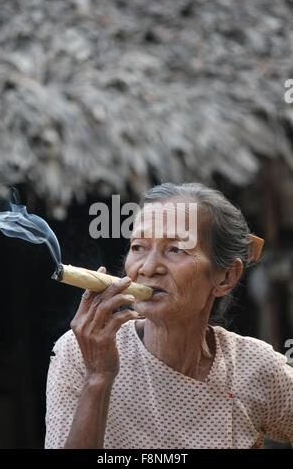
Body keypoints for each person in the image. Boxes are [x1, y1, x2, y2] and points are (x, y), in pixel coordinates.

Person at [45, 182, 293, 449]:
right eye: (138, 247)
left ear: (226, 276)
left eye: (176, 249)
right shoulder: (80, 352)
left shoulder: (254, 367)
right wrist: (97, 378)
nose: (148, 268)